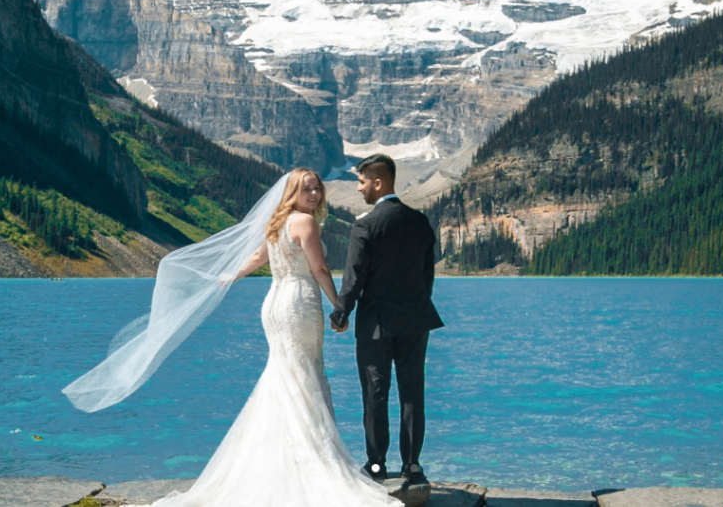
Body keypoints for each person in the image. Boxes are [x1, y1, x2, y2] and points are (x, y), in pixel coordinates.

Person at [65, 169, 401, 507]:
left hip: (273, 304)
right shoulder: (305, 223)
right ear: (292, 193)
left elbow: (258, 257)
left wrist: (231, 275)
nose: (314, 195)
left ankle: (273, 464)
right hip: (299, 303)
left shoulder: (276, 222)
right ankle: (308, 463)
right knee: (305, 377)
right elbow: (320, 270)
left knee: (284, 378)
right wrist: (339, 307)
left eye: (317, 189)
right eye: (306, 190)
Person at [331, 153, 444, 485]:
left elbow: (354, 278)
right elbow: (427, 276)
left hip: (376, 324)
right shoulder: (420, 221)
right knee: (412, 393)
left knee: (375, 394)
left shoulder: (365, 225)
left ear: (378, 183)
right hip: (416, 320)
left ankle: (377, 466)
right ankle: (412, 466)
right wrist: (418, 305)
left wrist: (341, 314)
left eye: (362, 181)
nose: (358, 188)